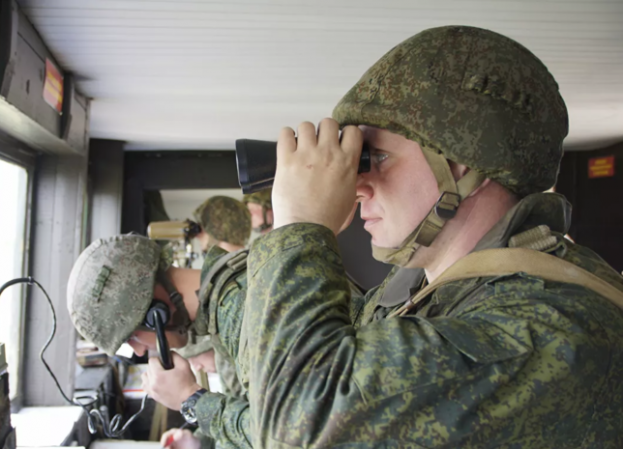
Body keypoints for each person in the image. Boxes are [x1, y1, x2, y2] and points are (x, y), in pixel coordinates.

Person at [231, 25, 623, 448]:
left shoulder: (553, 329)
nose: (357, 186)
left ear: (461, 163)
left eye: (378, 158)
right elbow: (280, 381)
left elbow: (298, 428)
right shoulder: (433, 288)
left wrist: (302, 225)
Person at [66, 234, 252, 448]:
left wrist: (191, 398)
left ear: (155, 312)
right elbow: (253, 416)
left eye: (131, 337)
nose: (138, 351)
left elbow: (279, 440)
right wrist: (201, 442)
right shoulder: (225, 312)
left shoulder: (241, 314)